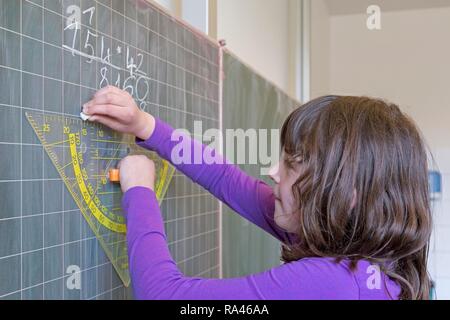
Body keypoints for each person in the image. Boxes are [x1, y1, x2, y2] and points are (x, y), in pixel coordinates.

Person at [82, 85, 432, 300]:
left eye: (292, 164)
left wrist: (140, 189)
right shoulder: (365, 258)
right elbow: (227, 180)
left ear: (345, 194)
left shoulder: (332, 284)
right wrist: (145, 126)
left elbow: (164, 295)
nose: (273, 172)